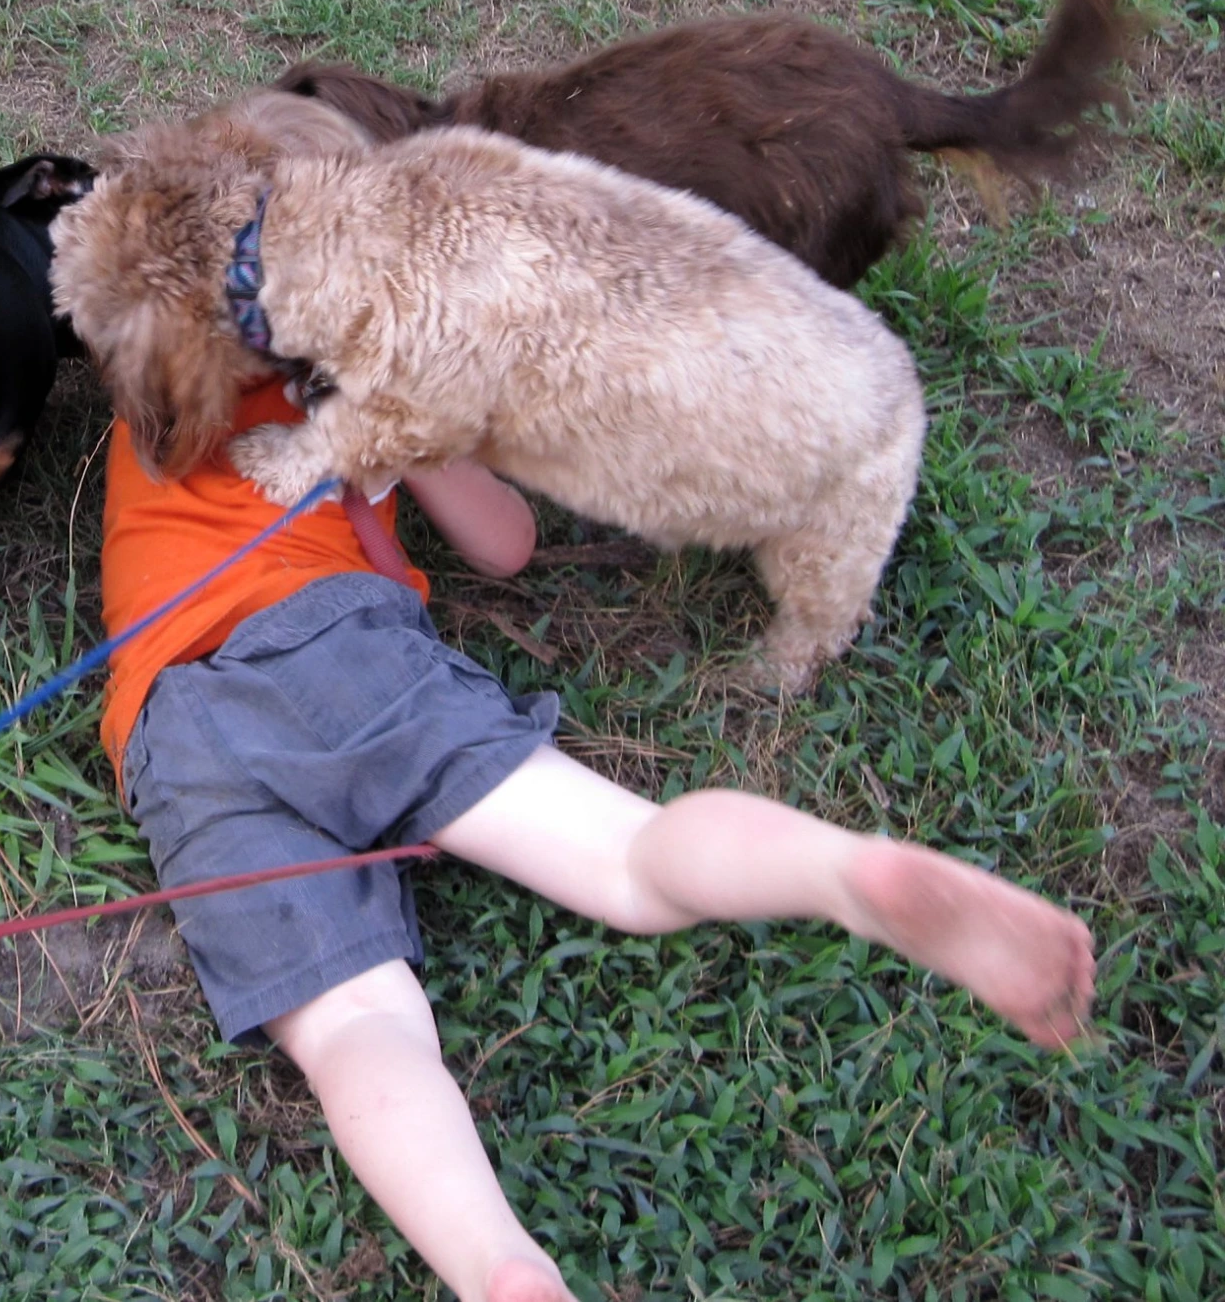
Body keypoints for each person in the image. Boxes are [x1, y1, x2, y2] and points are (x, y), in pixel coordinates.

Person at [98, 377, 1096, 1302]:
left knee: (354, 1025)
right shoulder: (349, 379)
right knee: (626, 854)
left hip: (172, 725)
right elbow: (504, 542)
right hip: (332, 639)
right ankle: (841, 871)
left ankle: (497, 1262)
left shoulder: (146, 377)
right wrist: (402, 412)